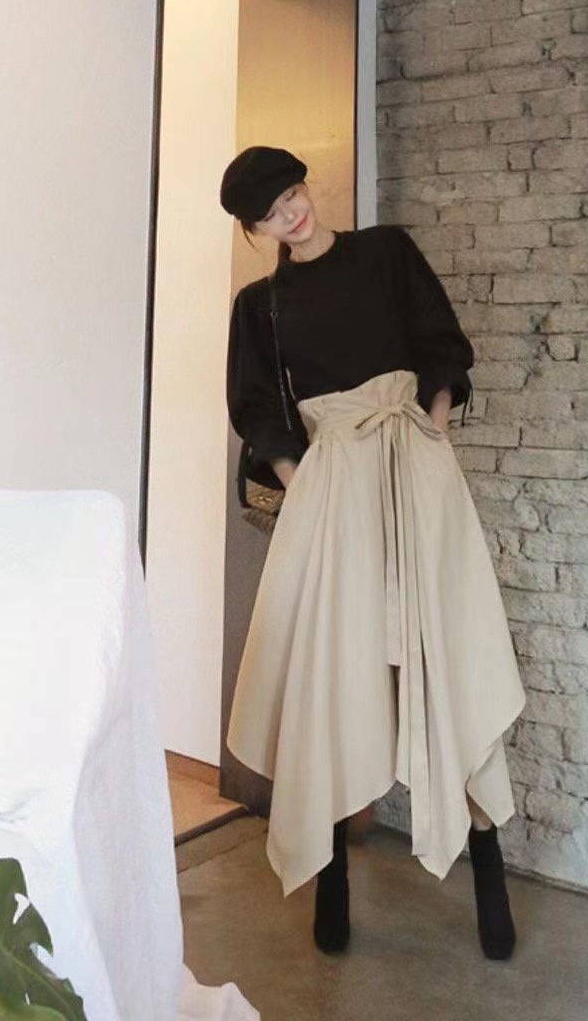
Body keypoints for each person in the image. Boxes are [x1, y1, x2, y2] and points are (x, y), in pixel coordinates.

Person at [220, 146, 527, 960]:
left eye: (293, 194)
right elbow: (256, 409)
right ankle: (332, 880)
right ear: (254, 230)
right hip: (333, 485)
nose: (292, 214)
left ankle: (488, 870)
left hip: (414, 466)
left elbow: (440, 341)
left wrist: (435, 428)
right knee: (336, 672)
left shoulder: (386, 253)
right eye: (271, 213)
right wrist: (304, 480)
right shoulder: (261, 306)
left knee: (448, 657)